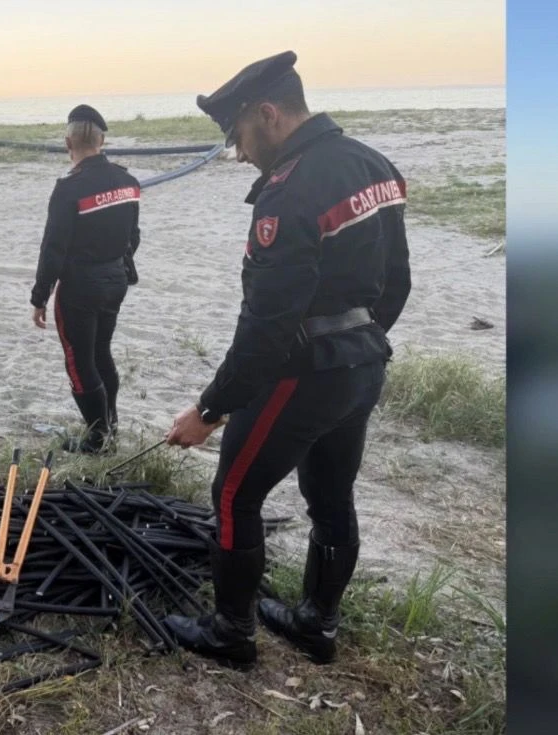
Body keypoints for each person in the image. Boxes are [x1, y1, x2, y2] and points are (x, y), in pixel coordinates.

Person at [159, 51, 412, 669]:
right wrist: (360, 343)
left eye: (238, 136)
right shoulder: (374, 164)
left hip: (303, 372)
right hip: (363, 365)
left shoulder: (290, 189)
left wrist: (210, 411)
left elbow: (267, 328)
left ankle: (230, 634)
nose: (239, 153)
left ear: (267, 114)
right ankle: (316, 624)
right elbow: (398, 280)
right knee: (331, 496)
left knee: (233, 497)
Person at [30, 104, 142, 454]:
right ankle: (110, 426)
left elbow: (53, 248)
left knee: (79, 362)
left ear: (68, 143)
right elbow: (133, 236)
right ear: (102, 140)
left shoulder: (69, 188)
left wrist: (40, 296)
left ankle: (96, 440)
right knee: (101, 353)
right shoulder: (128, 182)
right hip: (115, 279)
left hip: (81, 286)